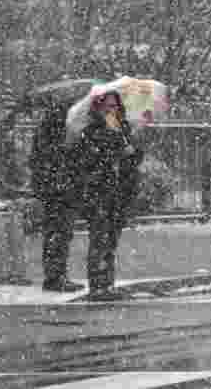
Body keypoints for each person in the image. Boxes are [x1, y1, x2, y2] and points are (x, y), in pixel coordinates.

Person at [73, 90, 143, 301]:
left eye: (115, 106)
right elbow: (90, 158)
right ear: (99, 107)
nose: (112, 110)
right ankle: (97, 284)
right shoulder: (91, 129)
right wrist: (114, 147)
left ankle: (108, 283)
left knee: (111, 238)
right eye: (108, 106)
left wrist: (132, 152)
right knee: (100, 237)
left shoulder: (122, 127)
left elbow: (133, 156)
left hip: (119, 191)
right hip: (99, 190)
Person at [29, 104, 84, 293]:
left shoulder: (51, 128)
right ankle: (55, 277)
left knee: (58, 232)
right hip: (58, 190)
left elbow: (39, 160)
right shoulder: (57, 129)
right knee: (58, 232)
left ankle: (56, 275)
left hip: (58, 189)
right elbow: (51, 159)